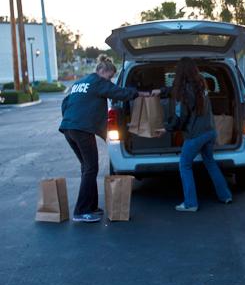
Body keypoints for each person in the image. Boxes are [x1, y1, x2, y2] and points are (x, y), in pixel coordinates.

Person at [59, 54, 149, 223]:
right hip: (81, 129)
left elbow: (65, 103)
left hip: (69, 128)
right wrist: (139, 93)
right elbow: (119, 92)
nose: (110, 80)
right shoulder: (98, 82)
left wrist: (71, 120)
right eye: (110, 76)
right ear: (102, 71)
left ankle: (91, 207)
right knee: (91, 168)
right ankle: (81, 211)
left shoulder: (80, 83)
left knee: (87, 168)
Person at [151, 57, 232, 212]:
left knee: (184, 164)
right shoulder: (201, 84)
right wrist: (161, 91)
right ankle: (225, 195)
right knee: (210, 162)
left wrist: (167, 128)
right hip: (210, 131)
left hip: (196, 135)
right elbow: (177, 91)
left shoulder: (185, 91)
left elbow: (181, 117)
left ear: (181, 72)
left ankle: (190, 203)